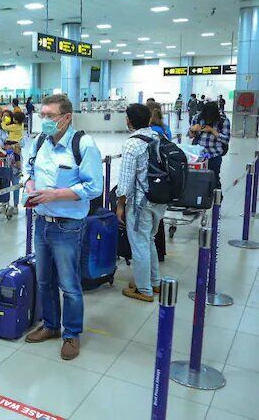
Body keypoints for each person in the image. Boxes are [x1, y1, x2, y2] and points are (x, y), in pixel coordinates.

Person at [23, 94, 103, 360]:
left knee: (69, 285)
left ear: (67, 117)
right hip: (42, 223)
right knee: (44, 280)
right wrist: (30, 186)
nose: (44, 120)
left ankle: (71, 334)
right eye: (42, 115)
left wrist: (55, 194)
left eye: (50, 116)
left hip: (68, 226)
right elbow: (28, 170)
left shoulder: (83, 145)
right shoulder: (40, 141)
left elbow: (94, 187)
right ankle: (50, 325)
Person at [116, 104, 168, 302]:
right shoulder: (158, 136)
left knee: (139, 245)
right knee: (149, 240)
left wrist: (120, 205)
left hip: (140, 203)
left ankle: (144, 289)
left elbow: (126, 181)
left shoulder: (132, 144)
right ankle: (154, 281)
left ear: (129, 121)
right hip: (158, 199)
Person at [189, 101, 230, 189]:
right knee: (197, 178)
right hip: (198, 155)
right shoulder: (198, 117)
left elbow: (226, 140)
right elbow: (190, 136)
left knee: (214, 177)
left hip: (214, 155)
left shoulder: (223, 120)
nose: (208, 120)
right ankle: (201, 196)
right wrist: (192, 129)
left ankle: (216, 196)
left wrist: (212, 130)